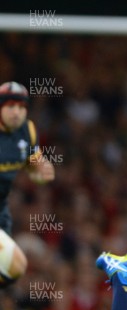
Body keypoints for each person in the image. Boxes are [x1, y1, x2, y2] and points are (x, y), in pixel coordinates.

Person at [0, 81, 55, 288]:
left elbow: (34, 162)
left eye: (22, 107)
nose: (17, 112)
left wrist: (40, 169)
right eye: (10, 106)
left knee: (16, 266)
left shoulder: (28, 131)